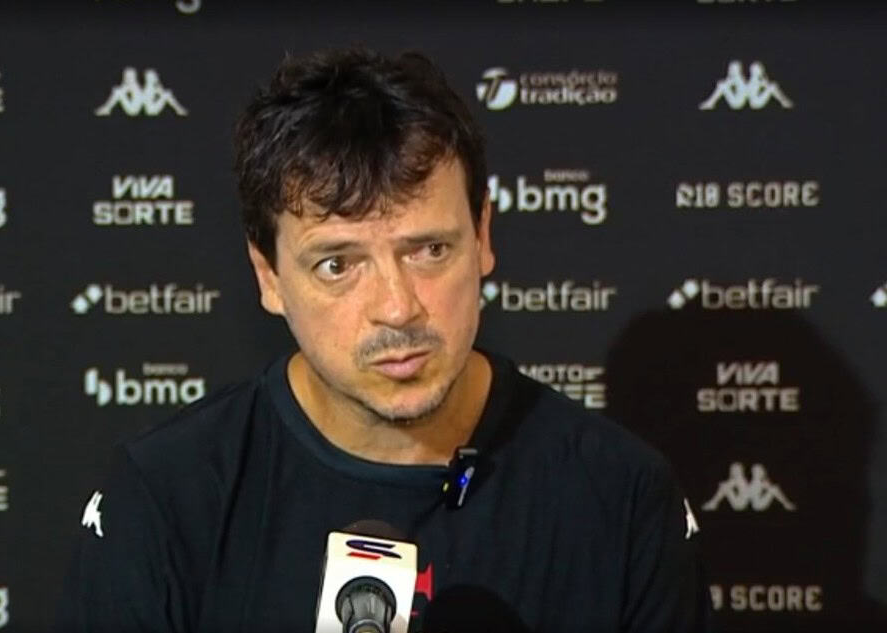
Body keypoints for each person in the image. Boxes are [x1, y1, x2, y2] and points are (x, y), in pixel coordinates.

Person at [57, 47, 711, 632]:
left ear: (483, 237)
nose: (397, 308)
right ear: (269, 277)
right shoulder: (166, 497)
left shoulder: (621, 496)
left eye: (429, 250)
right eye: (337, 264)